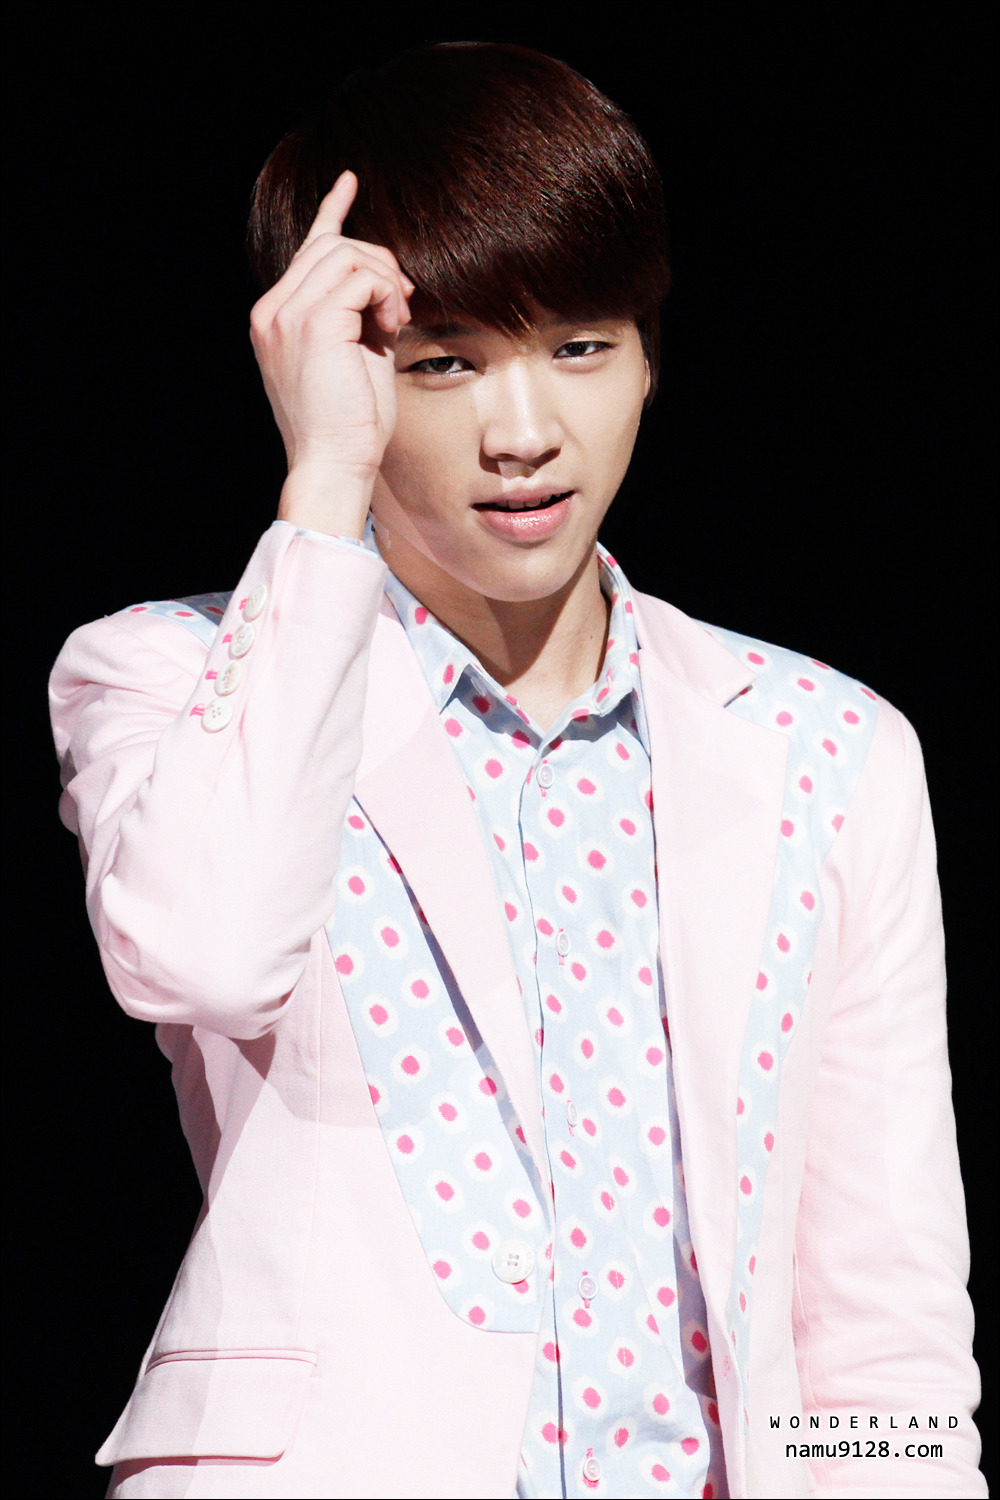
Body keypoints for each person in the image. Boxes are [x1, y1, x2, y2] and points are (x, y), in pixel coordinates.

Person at [48, 40, 984, 1500]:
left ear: (651, 354)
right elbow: (207, 956)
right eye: (444, 363)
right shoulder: (177, 674)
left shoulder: (827, 748)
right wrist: (322, 490)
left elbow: (883, 1317)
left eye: (581, 348)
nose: (526, 433)